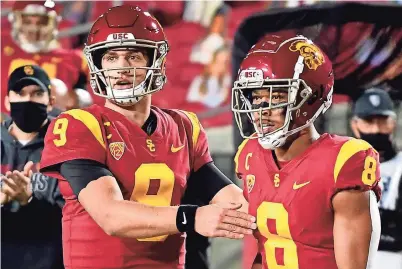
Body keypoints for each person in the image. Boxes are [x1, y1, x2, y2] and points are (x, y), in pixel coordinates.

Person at [39, 5, 255, 269]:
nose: (121, 68)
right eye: (110, 57)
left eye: (133, 57)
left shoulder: (183, 126)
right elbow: (110, 215)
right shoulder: (80, 124)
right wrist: (192, 217)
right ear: (97, 64)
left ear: (155, 61)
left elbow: (235, 202)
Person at [231, 34, 382, 269]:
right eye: (255, 98)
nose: (261, 110)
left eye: (275, 97)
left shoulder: (342, 163)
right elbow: (265, 251)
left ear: (310, 97)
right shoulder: (249, 155)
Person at [1, 65, 64, 269]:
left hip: (50, 258)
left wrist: (29, 200)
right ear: (7, 101)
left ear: (50, 102)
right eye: (20, 93)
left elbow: (78, 215)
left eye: (37, 94)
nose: (28, 100)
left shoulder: (68, 143)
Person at [1, 1, 92, 114]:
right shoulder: (3, 50)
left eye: (42, 22)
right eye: (27, 21)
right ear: (16, 22)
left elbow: (100, 98)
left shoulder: (76, 59)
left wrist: (74, 99)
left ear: (54, 24)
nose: (34, 29)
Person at [350, 88, 402, 269]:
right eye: (369, 121)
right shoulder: (340, 167)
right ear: (355, 125)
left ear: (393, 123)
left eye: (383, 121)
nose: (376, 129)